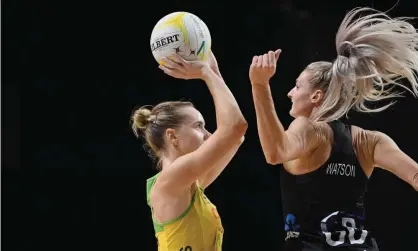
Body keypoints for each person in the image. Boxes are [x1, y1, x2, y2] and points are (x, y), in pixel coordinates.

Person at [249, 7, 418, 251]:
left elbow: (275, 151)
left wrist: (259, 85)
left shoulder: (309, 129)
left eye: (297, 86)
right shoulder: (370, 141)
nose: (290, 93)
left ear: (316, 96)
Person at [131, 51, 247, 251]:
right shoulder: (171, 180)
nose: (207, 135)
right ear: (172, 136)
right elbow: (234, 127)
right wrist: (206, 73)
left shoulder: (190, 183)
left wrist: (213, 71)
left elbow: (235, 138)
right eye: (198, 126)